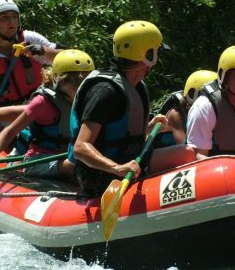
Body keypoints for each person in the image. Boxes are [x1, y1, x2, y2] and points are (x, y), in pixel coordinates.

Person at [68, 20, 195, 197]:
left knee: (187, 153)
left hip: (131, 162)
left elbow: (122, 137)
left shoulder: (134, 86)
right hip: (101, 174)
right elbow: (81, 147)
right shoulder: (106, 92)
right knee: (186, 153)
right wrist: (117, 168)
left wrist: (149, 128)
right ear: (148, 55)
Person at [0, 49, 94, 181]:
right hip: (38, 160)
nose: (80, 87)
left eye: (85, 82)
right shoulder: (42, 103)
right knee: (75, 166)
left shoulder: (89, 100)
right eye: (73, 82)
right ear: (58, 81)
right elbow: (10, 131)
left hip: (65, 155)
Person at [0, 0, 63, 138]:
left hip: (39, 106)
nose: (11, 22)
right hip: (6, 114)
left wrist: (43, 50)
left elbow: (67, 58)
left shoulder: (31, 39)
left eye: (14, 17)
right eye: (4, 18)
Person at [154, 69, 218, 148]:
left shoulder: (212, 113)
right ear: (192, 95)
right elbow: (185, 147)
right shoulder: (176, 114)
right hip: (168, 157)